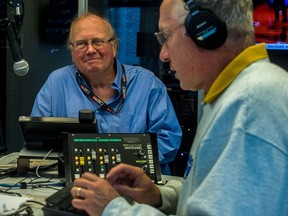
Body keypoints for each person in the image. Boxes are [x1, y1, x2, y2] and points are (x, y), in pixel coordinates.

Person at [70, 0, 288, 215]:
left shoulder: (250, 105)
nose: (162, 55)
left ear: (205, 30)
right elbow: (209, 194)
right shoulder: (238, 95)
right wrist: (158, 195)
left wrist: (113, 208)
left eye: (166, 37)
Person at [30, 12, 182, 175]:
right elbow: (38, 141)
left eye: (97, 42)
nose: (90, 50)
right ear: (72, 53)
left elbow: (168, 140)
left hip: (138, 183)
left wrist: (122, 168)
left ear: (114, 47)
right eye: (81, 44)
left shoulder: (147, 84)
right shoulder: (56, 83)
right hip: (76, 183)